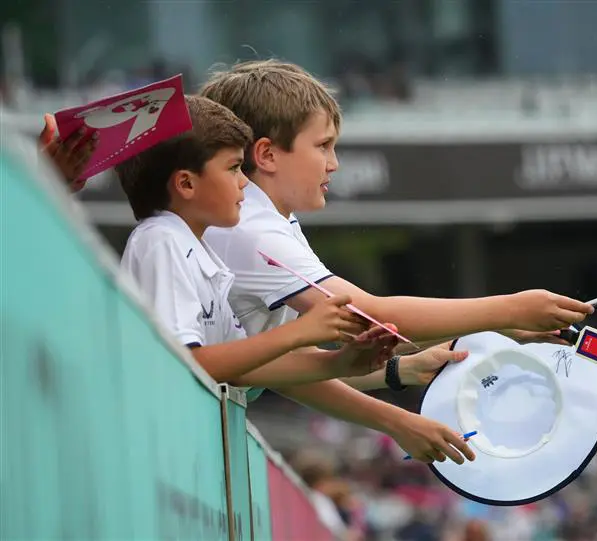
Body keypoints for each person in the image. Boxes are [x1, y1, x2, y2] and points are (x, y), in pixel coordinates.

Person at [115, 94, 474, 465]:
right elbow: (188, 363)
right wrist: (513, 315)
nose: (243, 183)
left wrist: (342, 364)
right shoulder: (161, 240)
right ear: (186, 184)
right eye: (234, 168)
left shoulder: (199, 250)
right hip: (152, 452)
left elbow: (247, 371)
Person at [198, 59, 595, 394]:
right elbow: (369, 316)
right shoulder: (252, 229)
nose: (333, 164)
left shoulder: (272, 219)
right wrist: (511, 308)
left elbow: (285, 363)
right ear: (266, 154)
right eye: (323, 146)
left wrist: (501, 326)